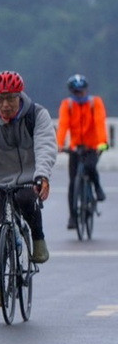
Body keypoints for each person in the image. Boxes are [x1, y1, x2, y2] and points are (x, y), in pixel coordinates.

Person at [0, 70, 55, 307]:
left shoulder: (37, 115)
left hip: (29, 176)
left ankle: (38, 238)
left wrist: (42, 176)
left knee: (27, 200)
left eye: (11, 98)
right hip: (1, 179)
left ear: (20, 96)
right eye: (0, 99)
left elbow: (46, 146)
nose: (5, 105)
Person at [56, 73, 108, 229]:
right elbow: (63, 125)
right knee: (73, 182)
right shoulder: (68, 105)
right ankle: (73, 216)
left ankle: (97, 188)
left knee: (91, 167)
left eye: (82, 91)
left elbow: (100, 123)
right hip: (75, 147)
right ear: (72, 92)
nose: (80, 94)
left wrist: (102, 143)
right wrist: (59, 144)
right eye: (77, 92)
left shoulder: (95, 103)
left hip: (92, 146)